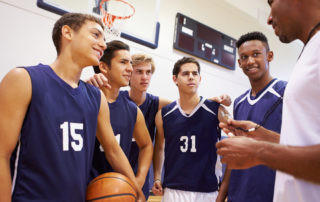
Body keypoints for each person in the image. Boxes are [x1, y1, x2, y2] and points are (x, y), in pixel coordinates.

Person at [0, 13, 144, 201]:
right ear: (67, 32)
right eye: (95, 35)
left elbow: (113, 150)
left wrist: (137, 190)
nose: (103, 44)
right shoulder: (23, 79)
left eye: (104, 39)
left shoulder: (95, 96)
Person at [87, 53, 232, 199]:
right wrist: (91, 81)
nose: (145, 77)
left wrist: (209, 103)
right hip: (103, 172)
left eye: (148, 72)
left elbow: (186, 105)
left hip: (138, 176)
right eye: (139, 72)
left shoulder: (158, 105)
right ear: (130, 72)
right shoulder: (112, 99)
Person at [216, 0, 320, 201]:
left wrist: (260, 151)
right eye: (244, 57)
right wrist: (261, 135)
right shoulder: (308, 52)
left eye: (271, 2)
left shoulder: (285, 88)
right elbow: (298, 144)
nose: (269, 17)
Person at [216, 32, 287, 202]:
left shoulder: (286, 92)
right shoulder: (239, 102)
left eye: (256, 54)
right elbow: (234, 159)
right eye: (244, 57)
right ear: (239, 63)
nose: (250, 61)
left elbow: (300, 147)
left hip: (272, 195)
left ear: (269, 56)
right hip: (237, 195)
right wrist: (220, 198)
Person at [152, 57, 230, 202]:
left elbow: (236, 135)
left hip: (207, 190)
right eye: (185, 73)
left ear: (200, 78)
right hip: (173, 189)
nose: (191, 77)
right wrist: (157, 177)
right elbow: (159, 147)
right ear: (175, 79)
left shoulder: (215, 109)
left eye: (195, 74)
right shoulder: (164, 114)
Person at [89, 40, 153, 194]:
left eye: (130, 63)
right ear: (103, 66)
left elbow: (146, 146)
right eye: (123, 62)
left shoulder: (133, 110)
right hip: (85, 188)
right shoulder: (86, 98)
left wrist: (140, 179)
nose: (130, 69)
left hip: (119, 189)